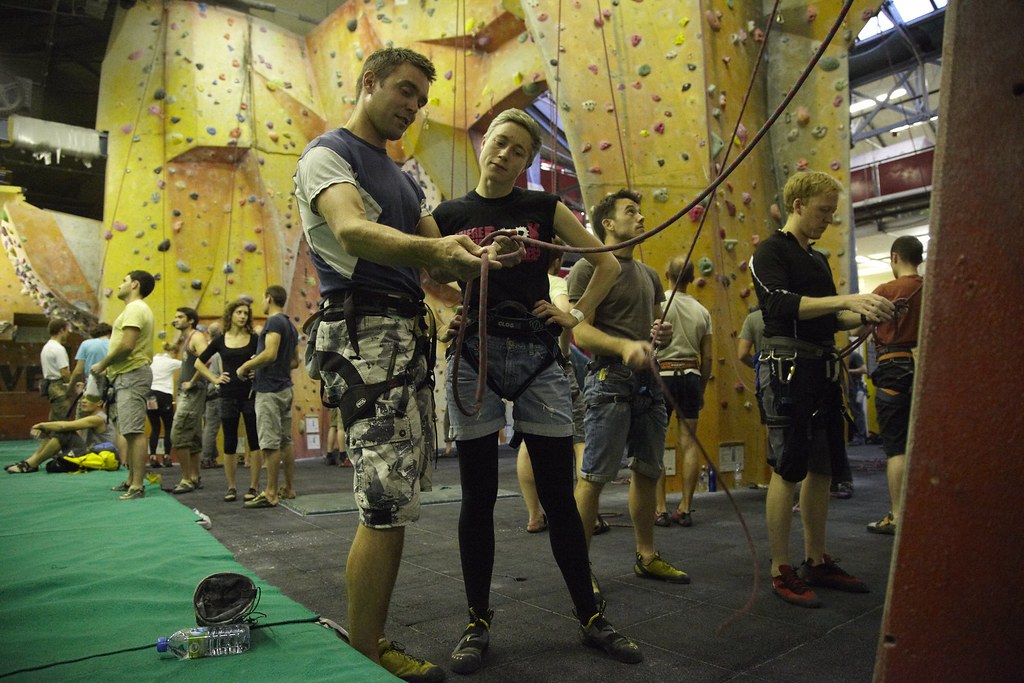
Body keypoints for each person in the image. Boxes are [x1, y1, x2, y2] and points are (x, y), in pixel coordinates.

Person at [294, 46, 512, 680]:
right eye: (404, 91)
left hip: (403, 332)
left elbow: (433, 263)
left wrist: (479, 262)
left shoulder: (405, 176)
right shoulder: (327, 155)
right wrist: (445, 249)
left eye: (420, 99)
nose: (412, 107)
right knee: (384, 502)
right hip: (365, 330)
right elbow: (353, 232)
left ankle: (370, 639)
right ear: (369, 83)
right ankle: (363, 655)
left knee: (397, 499)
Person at [436, 108, 639, 673]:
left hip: (537, 355)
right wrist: (444, 312)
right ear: (484, 145)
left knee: (558, 496)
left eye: (519, 150)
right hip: (474, 356)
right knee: (477, 497)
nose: (505, 154)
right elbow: (421, 272)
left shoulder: (542, 209)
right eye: (499, 143)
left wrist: (573, 312)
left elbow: (606, 265)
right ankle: (476, 621)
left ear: (528, 162)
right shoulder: (448, 215)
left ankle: (591, 615)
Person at [749, 171, 894, 607]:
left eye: (832, 212)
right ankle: (781, 567)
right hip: (787, 369)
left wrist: (868, 312)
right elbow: (777, 303)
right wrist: (846, 300)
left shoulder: (816, 260)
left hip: (820, 367)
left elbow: (830, 319)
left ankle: (815, 558)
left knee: (824, 468)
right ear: (797, 205)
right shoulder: (770, 251)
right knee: (788, 468)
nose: (828, 219)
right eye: (823, 210)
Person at [568, 188, 691, 602]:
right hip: (608, 379)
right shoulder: (588, 268)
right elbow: (577, 329)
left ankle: (647, 554)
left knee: (649, 470)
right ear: (607, 223)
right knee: (594, 477)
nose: (640, 218)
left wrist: (661, 332)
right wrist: (623, 346)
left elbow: (656, 324)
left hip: (648, 383)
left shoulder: (650, 275)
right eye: (631, 212)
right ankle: (579, 567)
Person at [865, 235, 924, 536]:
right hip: (926, 370)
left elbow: (860, 323)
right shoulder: (930, 288)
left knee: (897, 448)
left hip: (892, 369)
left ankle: (899, 515)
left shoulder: (886, 290)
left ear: (894, 257)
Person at [654, 256, 712, 528]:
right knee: (688, 442)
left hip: (662, 375)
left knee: (656, 443)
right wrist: (700, 387)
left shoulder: (659, 304)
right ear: (690, 279)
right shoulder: (702, 311)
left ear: (666, 273)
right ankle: (686, 508)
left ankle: (660, 508)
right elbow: (708, 357)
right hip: (690, 375)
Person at [91, 270, 156, 500]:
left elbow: (127, 345)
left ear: (135, 284)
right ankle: (131, 479)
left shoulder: (135, 309)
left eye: (124, 280)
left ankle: (137, 485)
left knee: (134, 431)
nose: (120, 284)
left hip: (132, 374)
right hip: (126, 375)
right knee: (128, 430)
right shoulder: (134, 309)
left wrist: (103, 364)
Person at [194, 299, 261, 503]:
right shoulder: (220, 340)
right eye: (239, 312)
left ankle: (253, 487)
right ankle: (231, 487)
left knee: (254, 440)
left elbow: (268, 358)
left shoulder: (255, 339)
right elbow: (199, 362)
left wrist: (257, 372)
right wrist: (215, 379)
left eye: (245, 313)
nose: (242, 316)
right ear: (230, 315)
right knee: (229, 441)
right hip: (227, 394)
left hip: (250, 394)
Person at [238, 286, 299, 508]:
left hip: (269, 391)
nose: (261, 304)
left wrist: (247, 365)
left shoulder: (273, 322)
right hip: (284, 387)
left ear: (269, 298)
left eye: (263, 299)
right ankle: (289, 488)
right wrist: (262, 364)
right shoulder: (290, 326)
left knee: (270, 443)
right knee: (285, 440)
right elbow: (294, 362)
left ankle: (271, 492)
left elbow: (271, 353)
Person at [5, 393, 116, 473]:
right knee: (57, 430)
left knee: (63, 432)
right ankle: (31, 461)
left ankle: (31, 464)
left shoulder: (98, 419)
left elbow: (65, 426)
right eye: (82, 398)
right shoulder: (92, 417)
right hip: (91, 453)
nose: (83, 401)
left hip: (100, 458)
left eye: (88, 399)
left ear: (100, 403)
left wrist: (40, 425)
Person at [167, 307, 209, 493]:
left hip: (192, 393)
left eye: (180, 317)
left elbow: (206, 360)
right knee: (192, 436)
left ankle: (186, 479)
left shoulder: (196, 337)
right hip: (189, 394)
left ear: (190, 320)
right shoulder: (188, 339)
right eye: (175, 316)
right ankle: (194, 477)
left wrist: (192, 382)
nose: (176, 320)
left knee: (179, 435)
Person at [147, 343, 181, 468]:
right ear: (172, 352)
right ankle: (167, 456)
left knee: (154, 427)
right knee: (168, 427)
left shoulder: (152, 360)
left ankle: (153, 456)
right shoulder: (171, 361)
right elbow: (186, 364)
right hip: (164, 395)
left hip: (150, 395)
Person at [68, 322, 112, 408]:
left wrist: (69, 388)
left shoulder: (86, 344)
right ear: (110, 333)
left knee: (83, 418)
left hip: (91, 389)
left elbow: (78, 371)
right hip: (110, 389)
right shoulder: (114, 345)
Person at [200, 323, 224, 470]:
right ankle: (207, 457)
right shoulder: (220, 351)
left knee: (209, 424)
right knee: (212, 426)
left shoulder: (208, 350)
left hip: (207, 391)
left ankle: (211, 456)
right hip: (215, 391)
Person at [40, 318, 72, 420]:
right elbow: (64, 373)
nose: (68, 334)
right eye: (67, 331)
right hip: (59, 387)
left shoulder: (46, 347)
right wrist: (71, 385)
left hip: (51, 386)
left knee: (55, 418)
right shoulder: (58, 349)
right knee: (62, 420)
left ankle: (50, 435)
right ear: (61, 330)